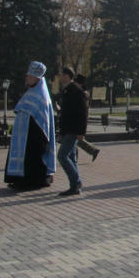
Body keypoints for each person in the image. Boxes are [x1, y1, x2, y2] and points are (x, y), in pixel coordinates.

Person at [5, 61, 56, 190]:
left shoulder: (41, 94)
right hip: (24, 134)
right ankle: (19, 180)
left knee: (32, 158)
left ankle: (31, 182)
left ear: (37, 78)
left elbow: (42, 118)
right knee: (24, 157)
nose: (26, 78)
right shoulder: (32, 91)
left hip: (35, 134)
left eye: (29, 76)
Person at [56, 66, 88, 196]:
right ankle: (75, 185)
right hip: (67, 129)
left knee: (62, 156)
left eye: (61, 74)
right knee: (71, 157)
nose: (59, 77)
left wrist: (81, 132)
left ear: (67, 76)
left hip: (73, 130)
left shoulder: (76, 90)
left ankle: (76, 183)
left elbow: (83, 113)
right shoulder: (67, 90)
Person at [74, 74, 101, 161]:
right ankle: (93, 150)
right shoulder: (82, 93)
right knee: (74, 139)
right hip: (78, 118)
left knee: (74, 139)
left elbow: (83, 109)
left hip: (79, 119)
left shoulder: (82, 94)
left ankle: (75, 157)